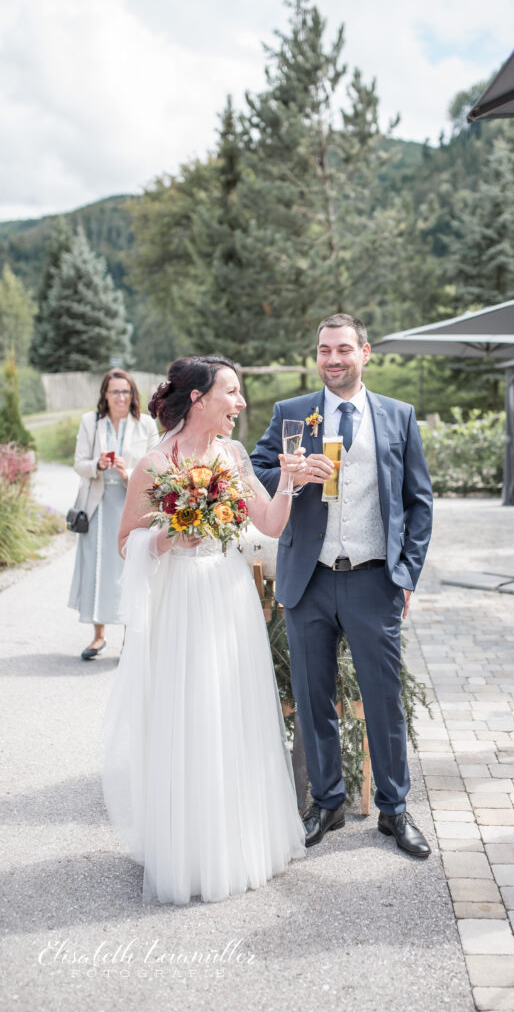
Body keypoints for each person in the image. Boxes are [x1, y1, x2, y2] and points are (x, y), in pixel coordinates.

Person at [103, 356, 307, 904]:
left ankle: (239, 843)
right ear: (198, 398)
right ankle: (190, 851)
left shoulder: (233, 455)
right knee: (189, 714)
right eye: (231, 392)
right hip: (180, 601)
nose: (240, 403)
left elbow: (269, 523)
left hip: (228, 595)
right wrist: (170, 535)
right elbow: (125, 542)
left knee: (233, 710)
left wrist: (288, 480)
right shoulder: (154, 464)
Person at [251, 313, 434, 858]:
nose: (332, 360)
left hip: (374, 579)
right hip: (308, 579)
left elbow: (419, 502)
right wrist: (289, 475)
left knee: (384, 700)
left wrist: (406, 574)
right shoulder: (292, 413)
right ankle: (327, 803)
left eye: (343, 350)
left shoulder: (398, 416)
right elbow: (253, 471)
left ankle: (394, 809)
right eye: (324, 350)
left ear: (365, 353)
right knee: (313, 700)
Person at [68, 369, 157, 660]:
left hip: (131, 503)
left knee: (129, 568)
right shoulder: (90, 422)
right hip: (98, 505)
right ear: (105, 395)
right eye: (115, 391)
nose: (121, 397)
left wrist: (127, 472)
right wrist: (98, 464)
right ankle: (98, 636)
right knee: (98, 567)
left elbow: (155, 469)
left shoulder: (145, 424)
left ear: (132, 394)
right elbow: (79, 464)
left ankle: (130, 639)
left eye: (125, 391)